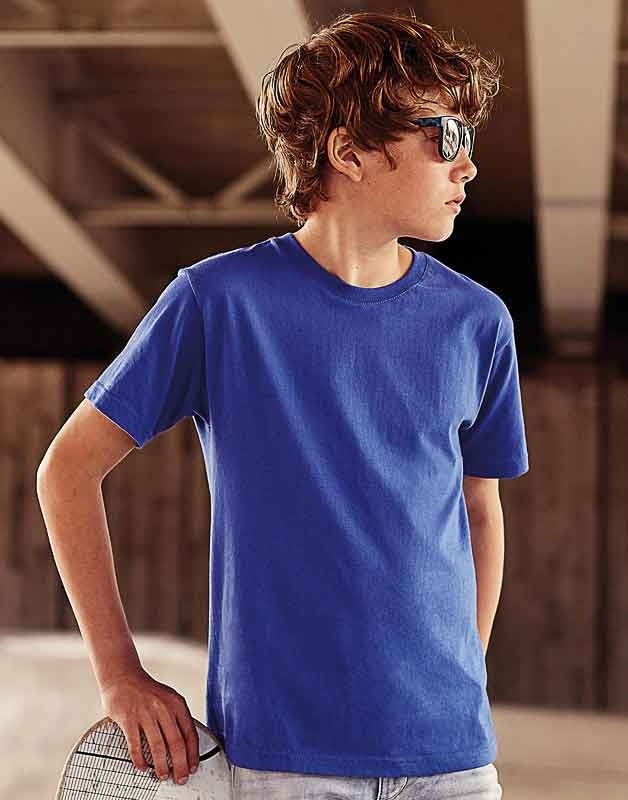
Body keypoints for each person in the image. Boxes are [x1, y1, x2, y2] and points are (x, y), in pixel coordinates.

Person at [37, 9, 528, 799]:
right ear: (349, 152)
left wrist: (460, 673)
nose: (466, 165)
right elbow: (66, 471)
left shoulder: (478, 322)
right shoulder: (217, 303)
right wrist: (119, 674)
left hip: (453, 762)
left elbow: (480, 511)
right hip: (282, 759)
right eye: (445, 135)